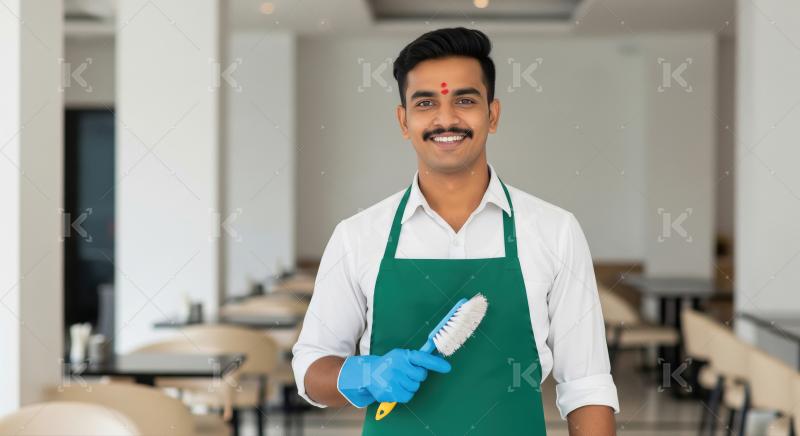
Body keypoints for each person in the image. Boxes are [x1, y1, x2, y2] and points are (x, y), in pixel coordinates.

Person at [292, 27, 619, 435]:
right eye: (426, 102)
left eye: (464, 100)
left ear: (492, 114)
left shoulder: (555, 231)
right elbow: (310, 370)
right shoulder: (357, 236)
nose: (446, 118)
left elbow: (586, 386)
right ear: (404, 121)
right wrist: (363, 375)